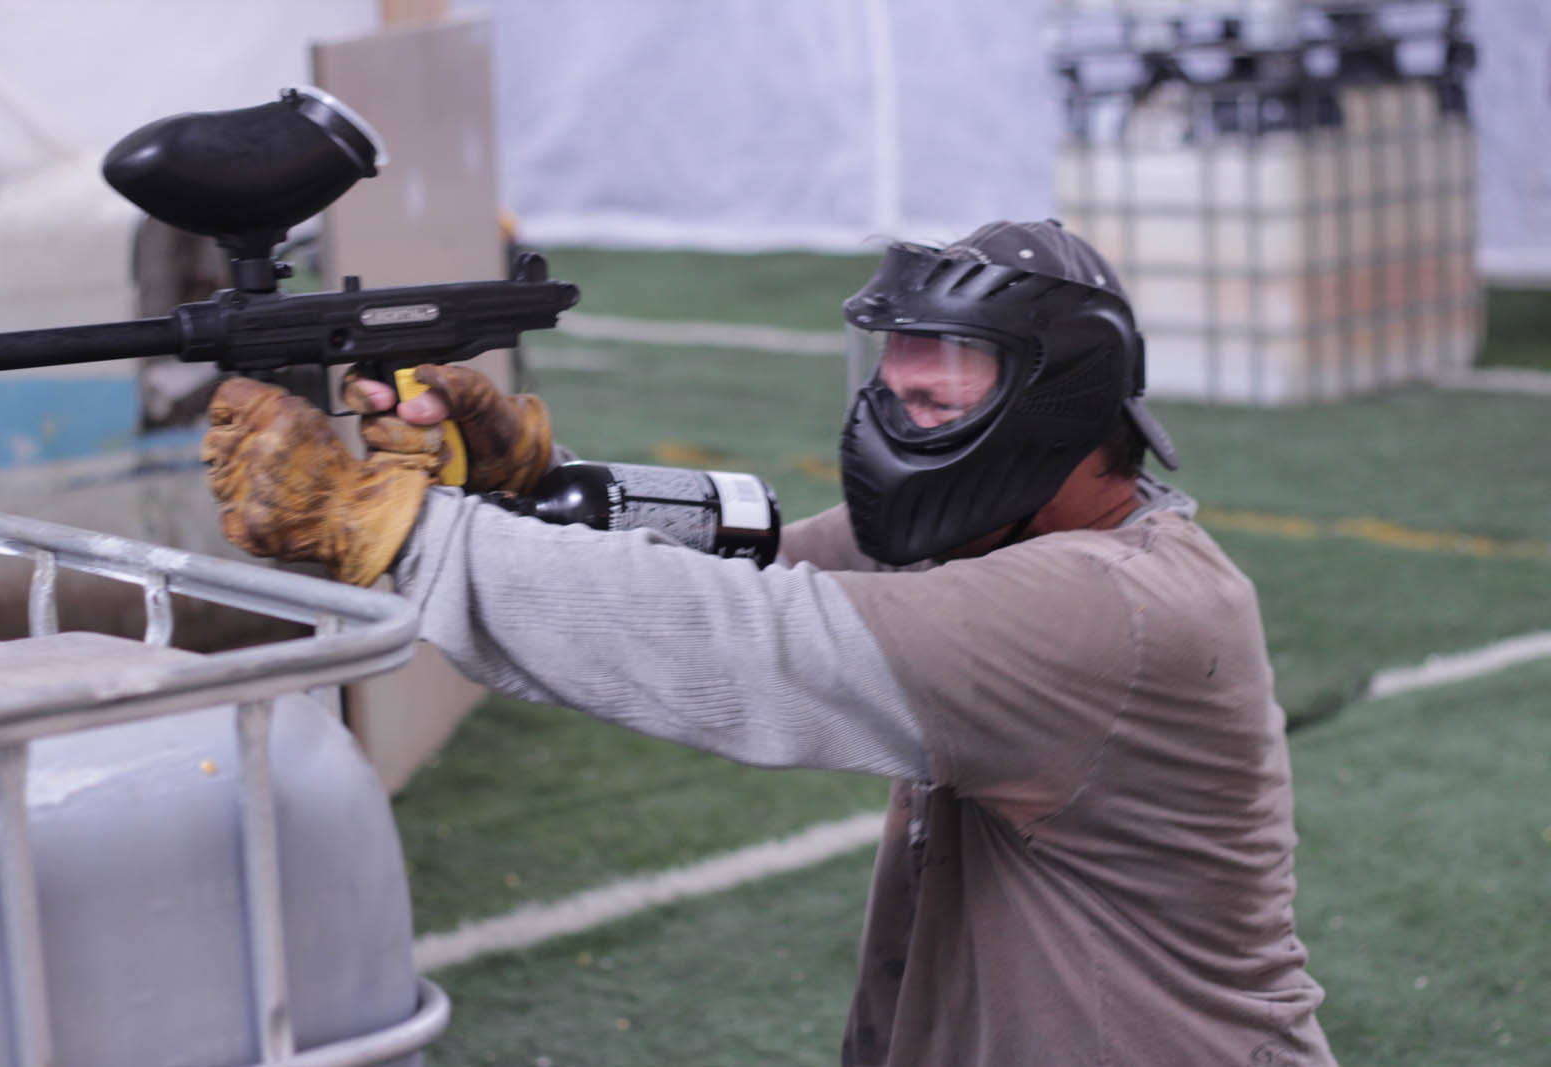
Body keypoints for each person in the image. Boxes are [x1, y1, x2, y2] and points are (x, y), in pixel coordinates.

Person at [202, 220, 1336, 1065]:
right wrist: (530, 487)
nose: (894, 421)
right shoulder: (997, 542)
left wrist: (387, 523)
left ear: (1058, 408)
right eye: (888, 387)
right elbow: (747, 559)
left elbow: (743, 641)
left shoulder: (1105, 610)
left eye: (938, 402)